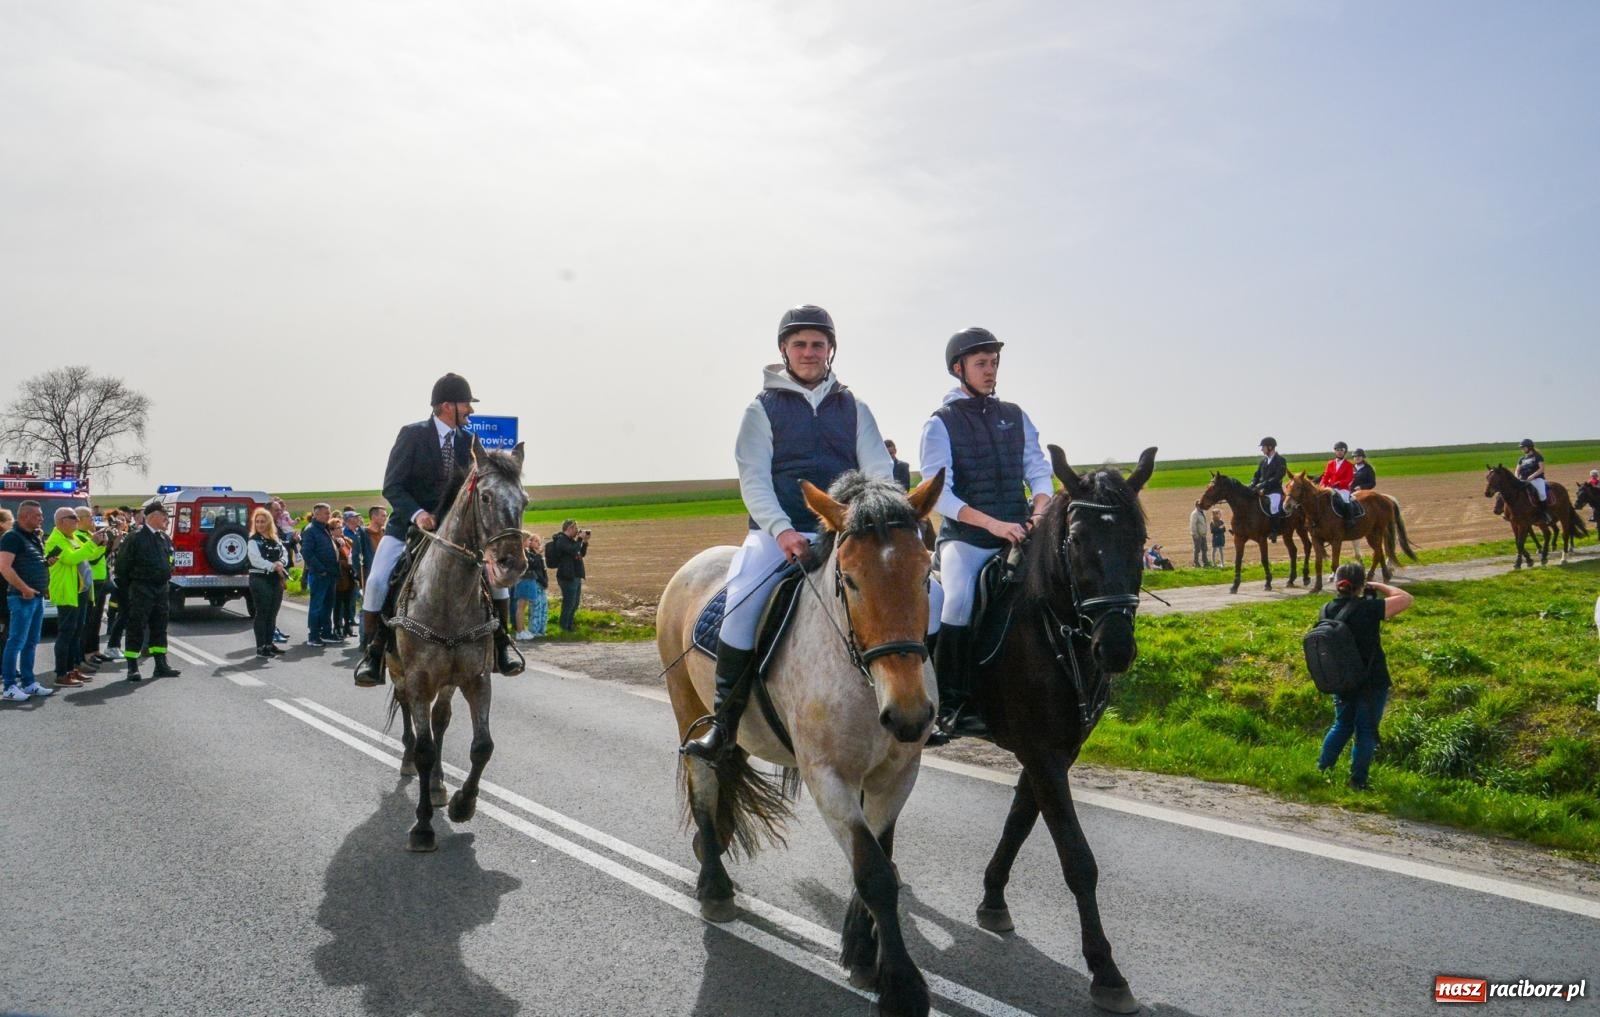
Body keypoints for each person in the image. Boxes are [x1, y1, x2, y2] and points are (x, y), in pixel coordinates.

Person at [683, 303, 908, 761]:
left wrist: (874, 522)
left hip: (846, 532)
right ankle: (724, 723)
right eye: (800, 344)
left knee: (927, 599)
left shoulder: (854, 407)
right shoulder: (761, 409)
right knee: (741, 604)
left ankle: (924, 706)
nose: (809, 352)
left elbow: (879, 470)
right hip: (776, 533)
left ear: (830, 350)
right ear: (784, 349)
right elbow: (754, 480)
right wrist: (783, 532)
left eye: (818, 344)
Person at [919, 326, 1049, 738]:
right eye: (981, 364)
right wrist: (993, 524)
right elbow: (939, 494)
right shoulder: (940, 424)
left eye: (993, 363)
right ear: (959, 368)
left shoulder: (1016, 414)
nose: (990, 371)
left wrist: (1041, 510)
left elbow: (1038, 470)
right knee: (957, 601)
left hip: (1021, 529)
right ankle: (951, 704)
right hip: (967, 539)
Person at [355, 373, 522, 687]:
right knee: (377, 581)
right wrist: (418, 514)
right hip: (408, 527)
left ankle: (502, 645)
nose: (470, 411)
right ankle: (373, 652)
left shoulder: (468, 443)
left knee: (496, 579)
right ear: (447, 406)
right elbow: (393, 486)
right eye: (466, 405)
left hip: (455, 536)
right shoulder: (412, 435)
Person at [1316, 561, 1413, 790]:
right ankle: (1358, 782)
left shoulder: (1326, 609)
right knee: (1365, 732)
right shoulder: (1368, 609)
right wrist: (1378, 585)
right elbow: (1406, 598)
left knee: (1341, 726)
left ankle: (1322, 771)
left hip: (1342, 679)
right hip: (1372, 679)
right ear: (1361, 585)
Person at [115, 497, 181, 681]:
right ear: (152, 517)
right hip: (141, 588)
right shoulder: (135, 537)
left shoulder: (164, 538)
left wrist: (167, 571)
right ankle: (132, 667)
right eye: (164, 517)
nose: (166, 521)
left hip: (161, 589)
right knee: (136, 627)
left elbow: (170, 560)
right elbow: (122, 567)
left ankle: (161, 664)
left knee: (160, 626)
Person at [44, 506, 107, 687]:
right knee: (67, 634)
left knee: (77, 633)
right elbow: (72, 559)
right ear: (61, 521)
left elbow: (86, 556)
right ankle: (61, 674)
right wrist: (91, 543)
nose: (77, 521)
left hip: (80, 592)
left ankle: (73, 670)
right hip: (68, 592)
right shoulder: (56, 540)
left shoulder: (70, 537)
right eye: (73, 518)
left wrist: (100, 544)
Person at [0, 502, 55, 700]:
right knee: (16, 641)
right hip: (21, 597)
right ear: (24, 516)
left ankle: (29, 682)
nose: (42, 519)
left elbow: (33, 563)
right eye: (38, 516)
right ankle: (9, 686)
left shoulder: (33, 537)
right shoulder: (12, 537)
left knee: (32, 642)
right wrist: (24, 588)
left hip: (37, 596)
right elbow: (5, 567)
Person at [246, 507, 288, 659]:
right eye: (257, 522)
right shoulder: (253, 541)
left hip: (275, 579)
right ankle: (261, 647)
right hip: (260, 579)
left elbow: (284, 553)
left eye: (263, 521)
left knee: (273, 613)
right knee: (262, 612)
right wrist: (273, 566)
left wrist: (281, 562)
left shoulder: (275, 539)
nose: (260, 524)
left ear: (269, 523)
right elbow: (255, 560)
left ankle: (269, 644)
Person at [301, 503, 340, 647]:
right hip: (320, 575)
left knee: (327, 605)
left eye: (329, 513)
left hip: (330, 574)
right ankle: (314, 635)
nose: (328, 515)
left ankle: (326, 632)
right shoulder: (311, 530)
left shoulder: (324, 529)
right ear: (316, 514)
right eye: (325, 513)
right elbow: (307, 553)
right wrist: (321, 569)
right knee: (317, 605)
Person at [546, 521, 589, 633]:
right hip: (567, 576)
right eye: (575, 528)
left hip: (575, 575)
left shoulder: (570, 541)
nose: (577, 531)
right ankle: (564, 627)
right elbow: (573, 550)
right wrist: (579, 539)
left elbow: (581, 553)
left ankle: (569, 626)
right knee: (569, 603)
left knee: (575, 603)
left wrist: (584, 542)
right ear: (569, 529)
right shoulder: (561, 540)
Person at [512, 531, 549, 640]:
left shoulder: (526, 552)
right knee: (520, 607)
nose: (530, 541)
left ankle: (523, 629)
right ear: (523, 541)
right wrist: (537, 555)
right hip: (524, 580)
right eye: (528, 540)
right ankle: (520, 631)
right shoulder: (521, 553)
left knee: (523, 607)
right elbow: (530, 564)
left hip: (527, 580)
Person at [1250, 436, 1288, 540]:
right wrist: (1253, 483)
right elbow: (1257, 475)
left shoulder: (1281, 460)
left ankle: (1274, 531)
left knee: (1274, 507)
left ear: (1270, 447)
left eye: (1263, 447)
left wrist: (1262, 485)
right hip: (1261, 490)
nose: (1262, 449)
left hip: (1274, 491)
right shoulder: (1263, 461)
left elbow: (1277, 477)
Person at [1515, 439, 1553, 525]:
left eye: (1523, 447)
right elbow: (1517, 470)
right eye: (1521, 448)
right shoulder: (1521, 459)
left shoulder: (1538, 456)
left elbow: (1541, 469)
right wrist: (1517, 477)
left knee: (1542, 494)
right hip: (1523, 479)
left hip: (1537, 479)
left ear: (1529, 447)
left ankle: (1545, 514)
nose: (1522, 449)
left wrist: (1532, 476)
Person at [1318, 441, 1358, 522]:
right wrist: (1322, 485)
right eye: (1337, 450)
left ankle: (1349, 519)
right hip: (1330, 487)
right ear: (1335, 451)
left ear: (1345, 452)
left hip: (1343, 489)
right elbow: (1326, 476)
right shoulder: (1330, 463)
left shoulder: (1349, 465)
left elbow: (1349, 478)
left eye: (1341, 450)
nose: (1339, 452)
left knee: (1345, 499)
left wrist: (1339, 483)